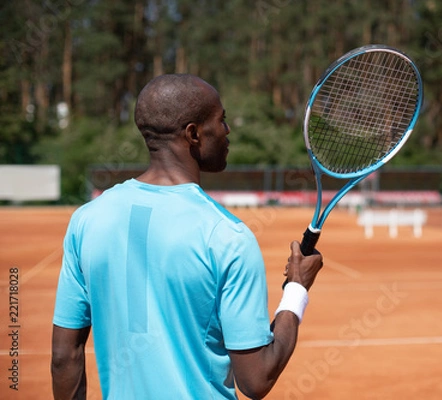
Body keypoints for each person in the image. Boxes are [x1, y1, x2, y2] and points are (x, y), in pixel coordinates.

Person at [51, 74, 324, 400]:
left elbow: (64, 356)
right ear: (193, 134)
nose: (228, 131)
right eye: (221, 120)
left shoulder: (87, 220)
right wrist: (296, 290)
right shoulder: (227, 236)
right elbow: (256, 379)